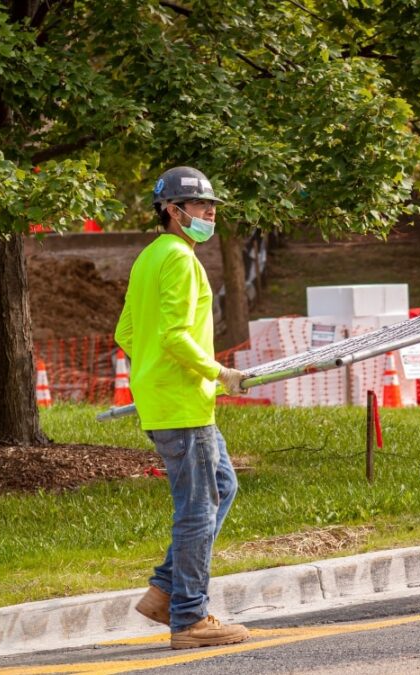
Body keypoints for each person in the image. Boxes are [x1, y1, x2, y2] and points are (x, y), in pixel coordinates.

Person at [115, 166, 251, 648]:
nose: (209, 214)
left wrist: (151, 373)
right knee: (197, 509)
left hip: (172, 398)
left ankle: (164, 591)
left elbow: (126, 334)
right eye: (199, 206)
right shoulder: (179, 260)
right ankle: (189, 617)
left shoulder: (150, 257)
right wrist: (218, 372)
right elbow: (173, 336)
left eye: (212, 207)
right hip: (182, 403)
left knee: (222, 485)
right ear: (172, 211)